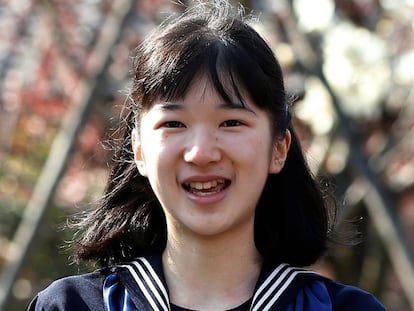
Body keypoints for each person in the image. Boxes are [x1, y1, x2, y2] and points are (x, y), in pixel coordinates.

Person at [29, 1, 386, 310]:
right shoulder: (74, 306)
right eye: (174, 123)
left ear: (279, 149)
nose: (201, 153)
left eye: (230, 122)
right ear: (138, 149)